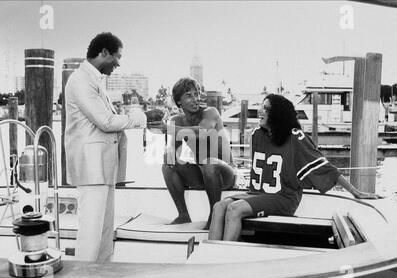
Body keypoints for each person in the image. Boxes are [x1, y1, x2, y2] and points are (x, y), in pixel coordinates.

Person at [208, 94, 379, 241]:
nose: (260, 111)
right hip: (258, 194)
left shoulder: (295, 138)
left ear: (277, 115)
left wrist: (355, 191)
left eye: (266, 109)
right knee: (218, 207)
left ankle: (223, 261)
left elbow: (325, 167)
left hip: (284, 197)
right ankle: (208, 260)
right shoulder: (257, 135)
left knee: (234, 209)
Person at [65, 32, 161, 262]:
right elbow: (106, 121)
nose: (118, 63)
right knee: (91, 230)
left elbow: (107, 119)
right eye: (116, 57)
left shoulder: (94, 80)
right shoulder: (80, 81)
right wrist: (141, 117)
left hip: (102, 168)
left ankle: (101, 276)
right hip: (91, 168)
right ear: (103, 53)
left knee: (105, 230)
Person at [152, 77, 236, 228]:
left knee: (209, 163)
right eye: (189, 96)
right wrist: (169, 153)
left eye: (196, 94)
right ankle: (183, 215)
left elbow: (203, 132)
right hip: (203, 175)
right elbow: (173, 151)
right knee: (168, 166)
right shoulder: (177, 120)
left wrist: (169, 129)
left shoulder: (210, 112)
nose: (195, 99)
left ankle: (214, 217)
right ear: (178, 102)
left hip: (225, 174)